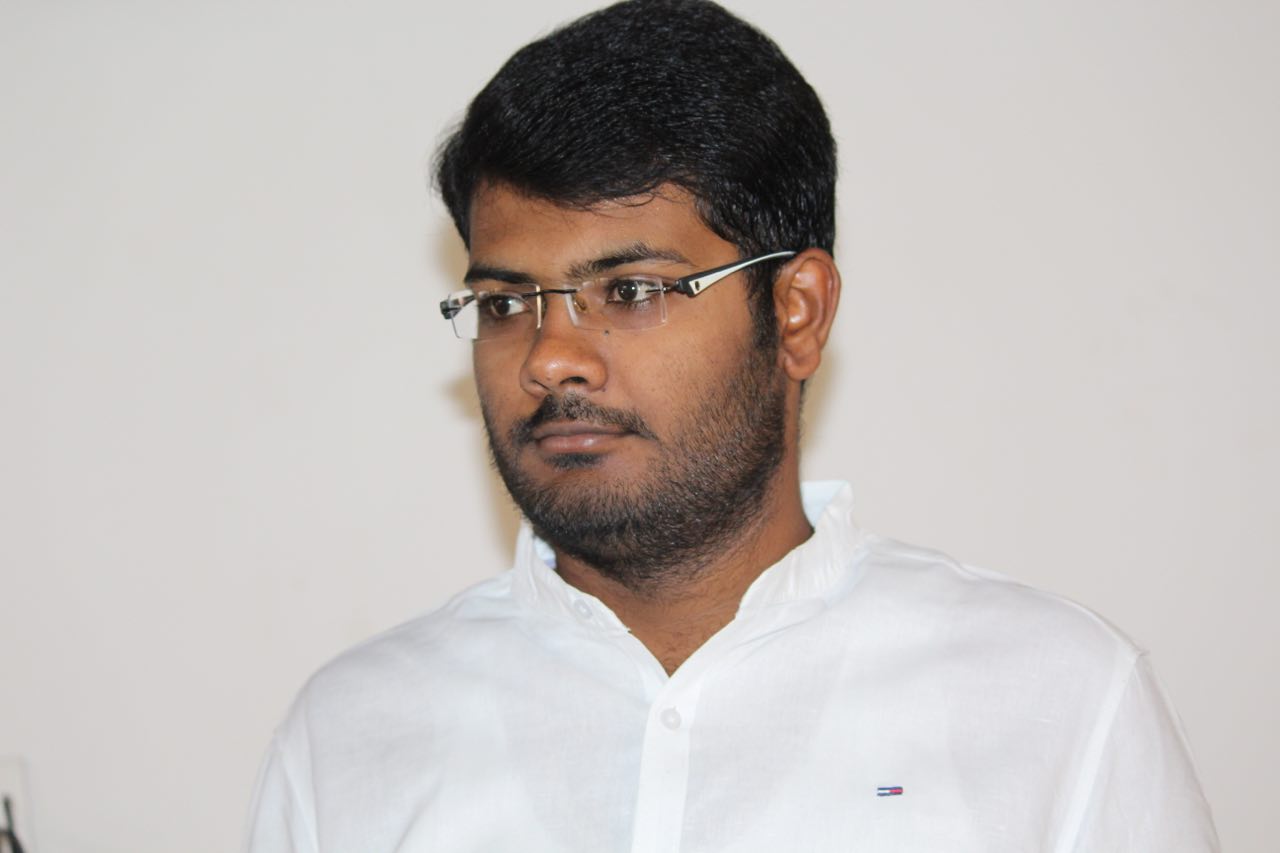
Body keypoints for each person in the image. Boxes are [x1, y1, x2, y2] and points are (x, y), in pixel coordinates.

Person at [245, 1, 1219, 849]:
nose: (549, 358)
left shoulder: (1056, 703)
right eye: (505, 303)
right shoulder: (349, 737)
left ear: (796, 312)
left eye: (630, 290)